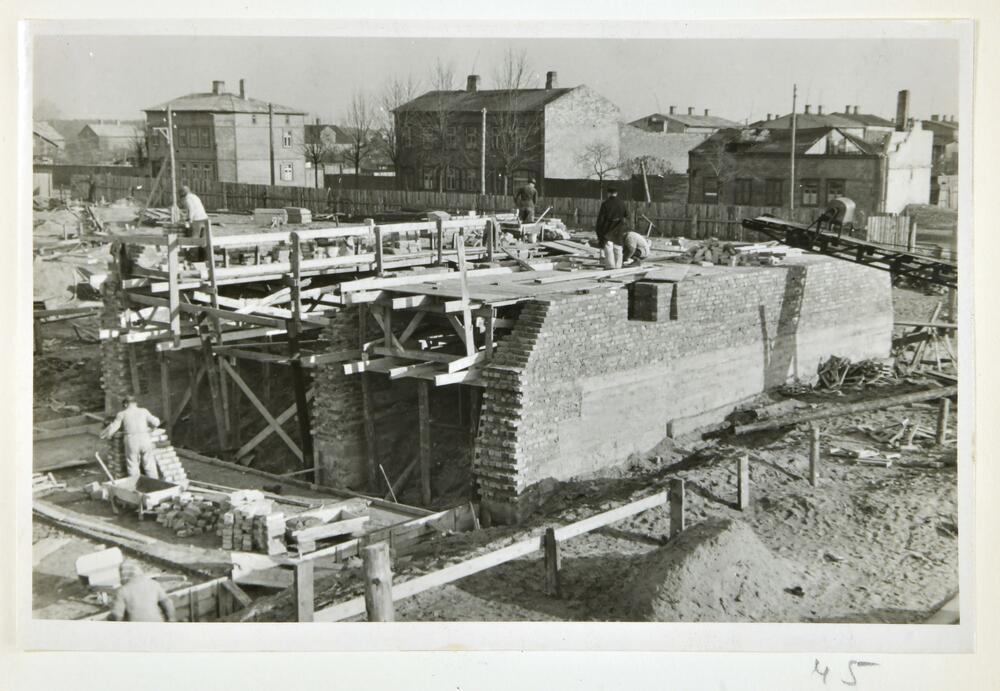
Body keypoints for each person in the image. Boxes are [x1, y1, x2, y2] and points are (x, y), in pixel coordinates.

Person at [99, 395, 161, 479]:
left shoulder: (122, 414)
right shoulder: (144, 411)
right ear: (136, 403)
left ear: (125, 404)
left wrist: (107, 435)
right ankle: (155, 483)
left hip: (132, 440)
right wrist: (152, 428)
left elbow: (114, 427)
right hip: (145, 439)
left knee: (133, 464)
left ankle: (135, 483)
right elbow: (157, 422)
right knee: (149, 464)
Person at [108, 561, 176, 622]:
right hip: (156, 622)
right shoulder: (154, 584)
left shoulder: (123, 591)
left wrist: (109, 619)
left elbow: (116, 616)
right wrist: (171, 619)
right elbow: (167, 603)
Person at [595, 186, 629, 269]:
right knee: (618, 248)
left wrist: (598, 231)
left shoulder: (605, 204)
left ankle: (610, 267)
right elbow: (627, 215)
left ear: (608, 193)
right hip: (619, 228)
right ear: (616, 193)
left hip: (608, 229)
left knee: (608, 248)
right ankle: (618, 267)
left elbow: (601, 220)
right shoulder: (622, 203)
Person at [179, 185, 210, 262]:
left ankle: (194, 258)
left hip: (197, 220)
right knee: (204, 240)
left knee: (194, 240)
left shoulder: (187, 199)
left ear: (183, 194)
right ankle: (204, 258)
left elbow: (191, 209)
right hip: (204, 218)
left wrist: (189, 219)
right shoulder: (195, 196)